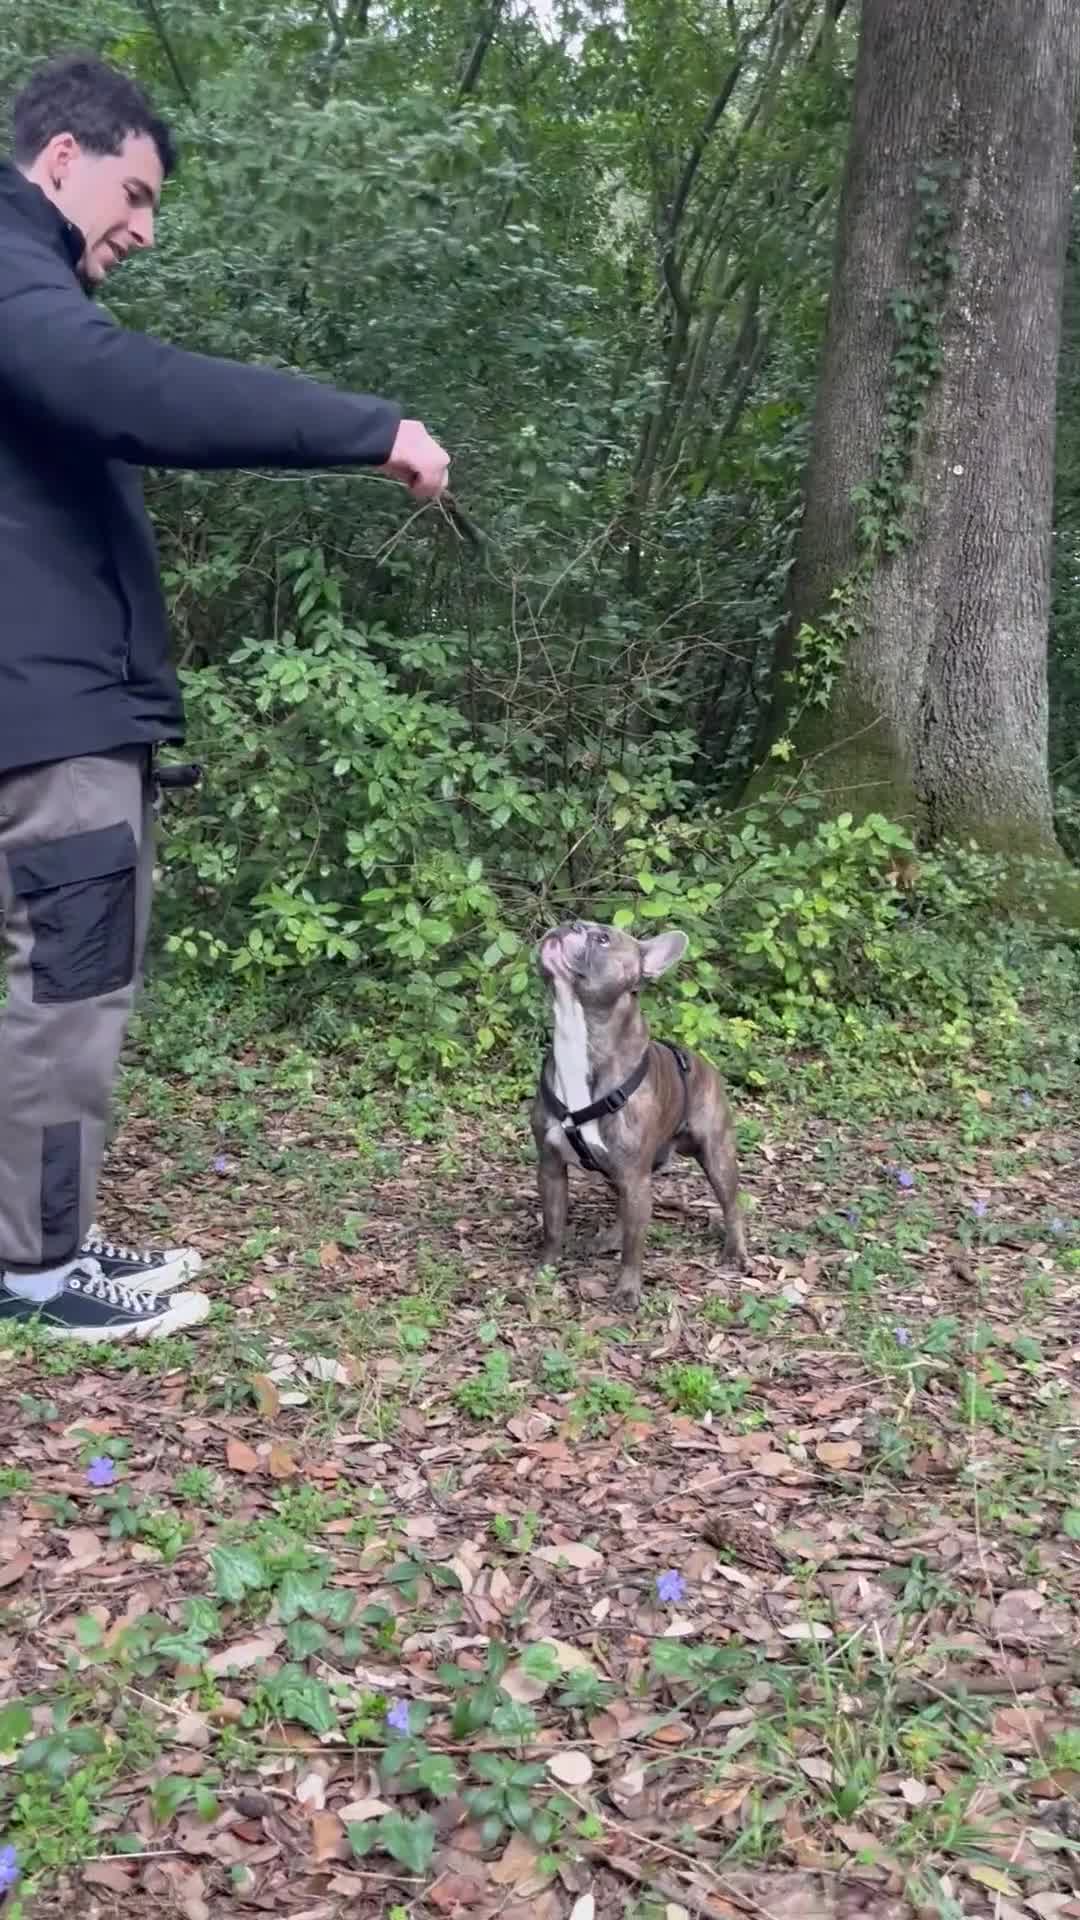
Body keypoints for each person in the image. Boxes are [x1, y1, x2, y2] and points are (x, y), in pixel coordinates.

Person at [0, 51, 450, 1343]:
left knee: (77, 980)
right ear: (64, 159)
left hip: (67, 705)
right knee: (72, 987)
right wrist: (369, 428)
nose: (140, 229)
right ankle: (36, 1273)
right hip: (48, 716)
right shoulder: (13, 273)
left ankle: (51, 1237)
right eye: (133, 196)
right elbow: (127, 390)